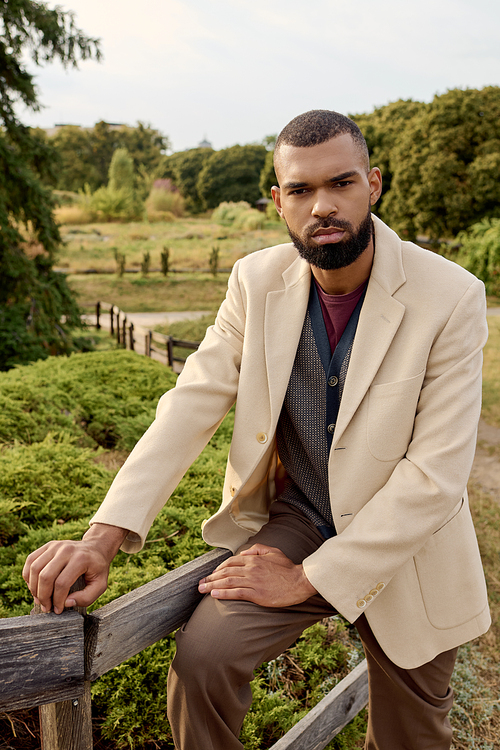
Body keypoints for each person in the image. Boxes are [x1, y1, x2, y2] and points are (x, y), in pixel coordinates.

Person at [23, 110, 490, 750]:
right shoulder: (254, 281)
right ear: (277, 201)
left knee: (412, 739)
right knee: (202, 665)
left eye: (342, 184)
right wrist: (102, 538)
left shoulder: (451, 297)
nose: (322, 206)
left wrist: (308, 579)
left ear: (374, 185)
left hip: (407, 548)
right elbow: (190, 402)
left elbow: (435, 478)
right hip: (297, 519)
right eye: (300, 190)